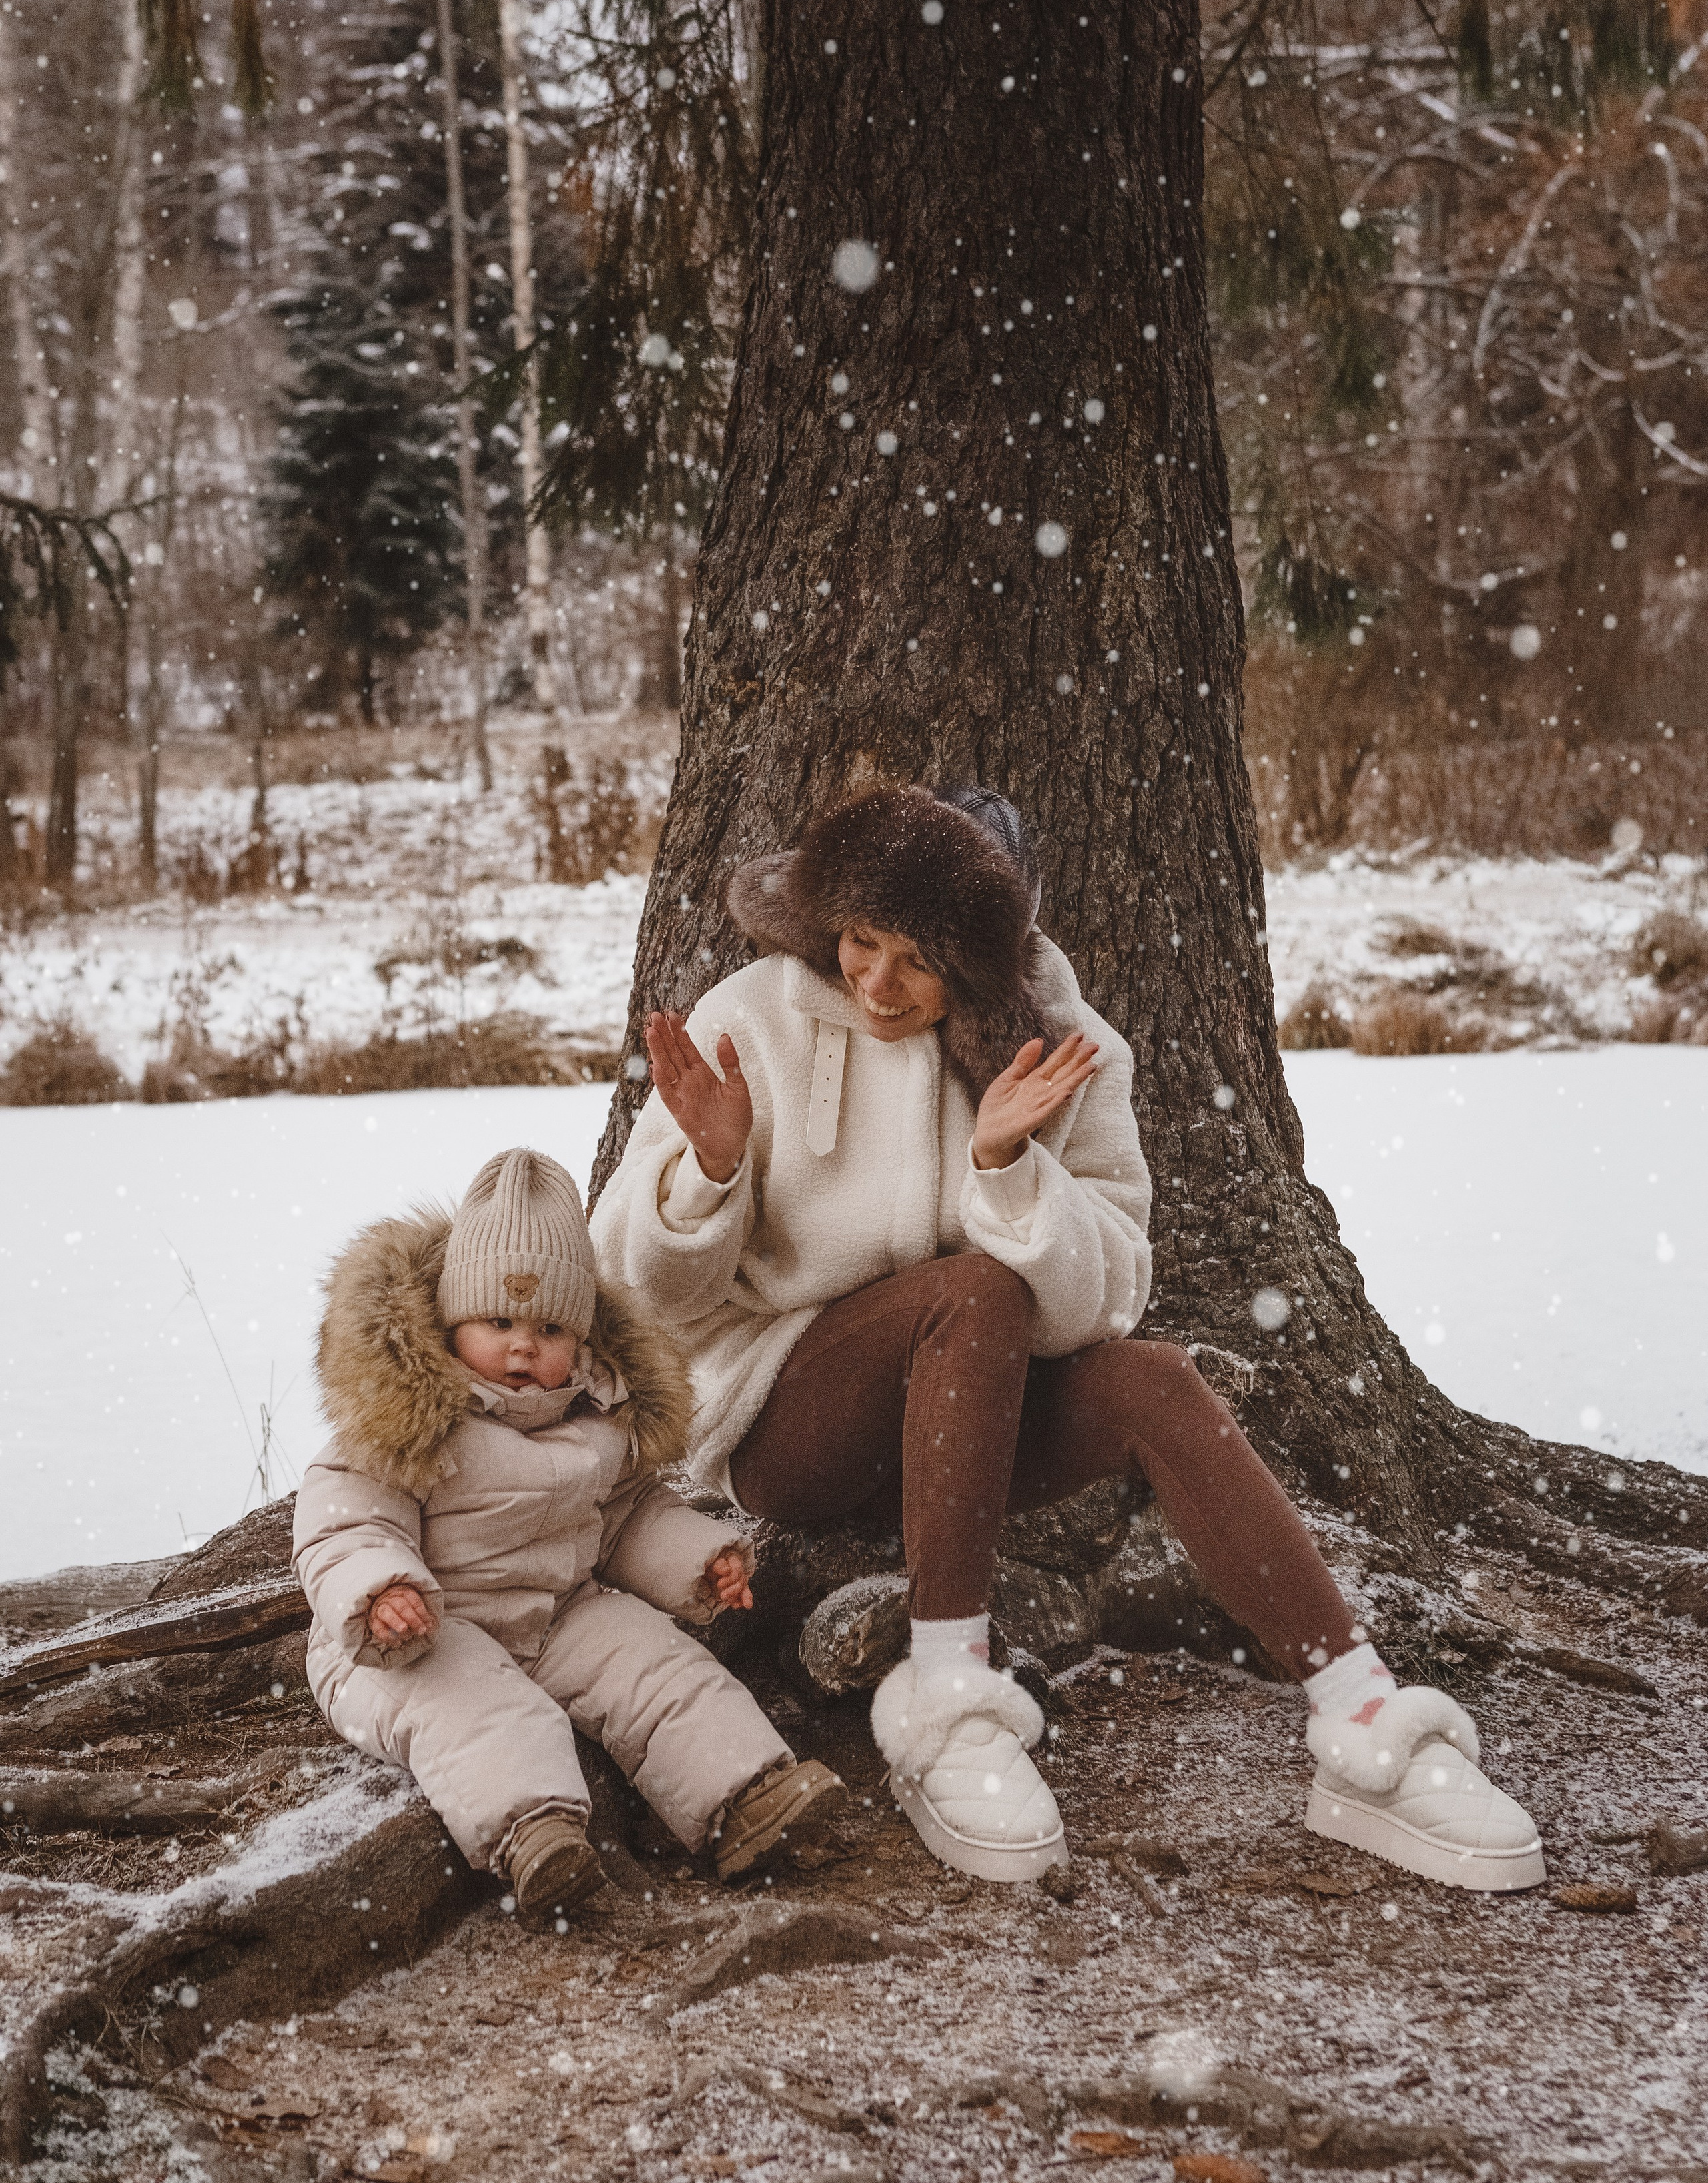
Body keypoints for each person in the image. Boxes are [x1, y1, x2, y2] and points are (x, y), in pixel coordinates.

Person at [592, 785, 1545, 1893]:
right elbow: (636, 1290)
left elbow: (1110, 1300)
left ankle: (1369, 1725)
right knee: (974, 1293)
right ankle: (951, 1705)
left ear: (984, 966)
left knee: (1155, 1381)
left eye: (918, 960)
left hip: (967, 1426)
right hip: (786, 1425)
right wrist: (707, 1173)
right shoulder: (753, 1017)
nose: (877, 982)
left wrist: (1007, 1168)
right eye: (861, 941)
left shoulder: (1068, 1052)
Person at [293, 1147, 841, 1927]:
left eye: (549, 1327)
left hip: (556, 1612)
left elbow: (627, 1517)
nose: (523, 1346)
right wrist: (379, 1591)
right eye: (498, 1322)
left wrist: (700, 1559)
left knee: (656, 1665)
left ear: (581, 1337)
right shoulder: (410, 1414)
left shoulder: (595, 1416)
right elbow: (346, 1520)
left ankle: (745, 1796)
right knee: (477, 1705)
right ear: (450, 1322)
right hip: (411, 1633)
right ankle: (534, 1833)